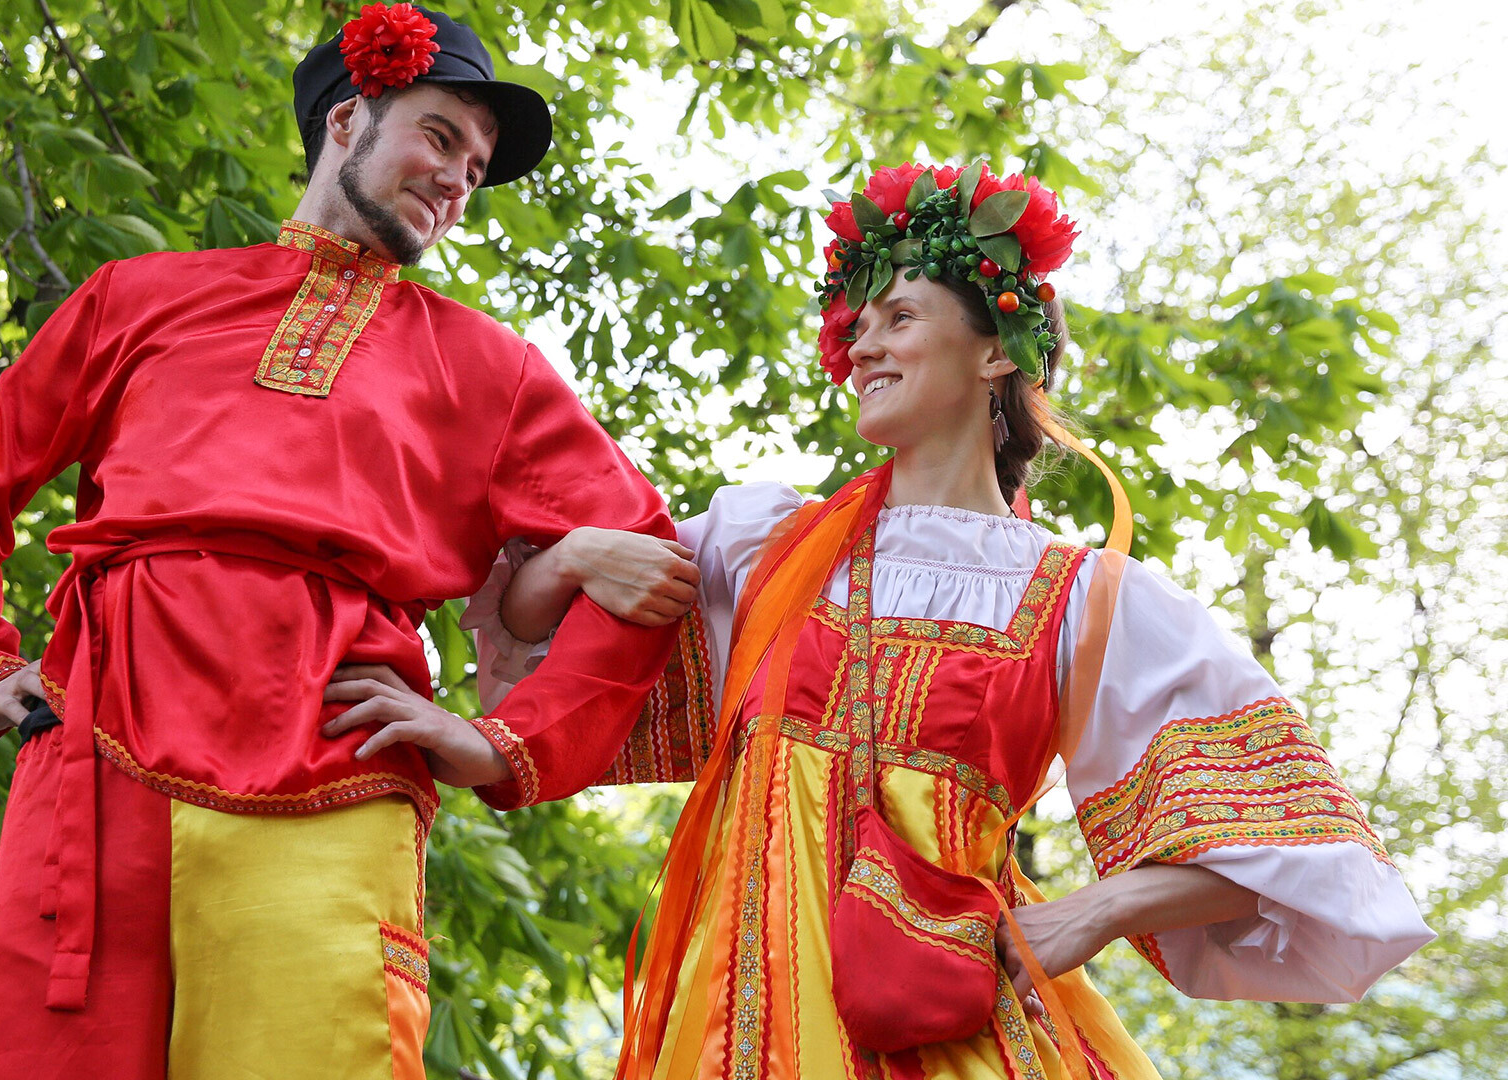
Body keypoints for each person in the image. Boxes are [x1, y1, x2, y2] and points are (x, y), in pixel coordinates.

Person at [423, 162, 1434, 1080]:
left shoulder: (1085, 597)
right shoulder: (760, 548)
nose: (862, 341)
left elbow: (1310, 846)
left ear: (996, 352)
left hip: (953, 1029)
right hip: (740, 1028)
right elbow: (541, 645)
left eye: (899, 316)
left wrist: (1103, 905)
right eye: (858, 322)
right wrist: (579, 553)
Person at [0, 6, 700, 1077]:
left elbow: (652, 568)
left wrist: (502, 743)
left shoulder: (490, 369)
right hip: (95, 765)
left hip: (333, 775)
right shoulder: (139, 299)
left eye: (480, 165)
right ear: (346, 119)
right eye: (442, 136)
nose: (460, 178)